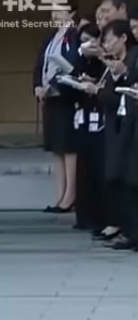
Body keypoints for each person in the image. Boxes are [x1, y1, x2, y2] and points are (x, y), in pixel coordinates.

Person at [87, 20, 138, 250]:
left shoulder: (133, 58)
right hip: (119, 122)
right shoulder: (118, 62)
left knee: (129, 180)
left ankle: (131, 232)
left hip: (130, 124)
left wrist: (123, 75)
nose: (106, 44)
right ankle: (128, 231)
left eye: (109, 39)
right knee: (121, 180)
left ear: (123, 38)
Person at [34, 0, 81, 213]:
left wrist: (52, 86)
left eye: (60, 9)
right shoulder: (51, 37)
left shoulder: (75, 36)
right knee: (56, 147)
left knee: (68, 146)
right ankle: (60, 193)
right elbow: (39, 64)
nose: (55, 13)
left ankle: (70, 195)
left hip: (66, 98)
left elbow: (72, 66)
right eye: (53, 9)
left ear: (72, 13)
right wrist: (37, 86)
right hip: (49, 99)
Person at [70, 21, 110, 238]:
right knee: (84, 166)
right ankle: (85, 215)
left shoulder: (108, 57)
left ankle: (101, 218)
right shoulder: (81, 59)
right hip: (84, 116)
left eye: (91, 40)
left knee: (99, 167)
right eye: (83, 40)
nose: (88, 45)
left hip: (102, 117)